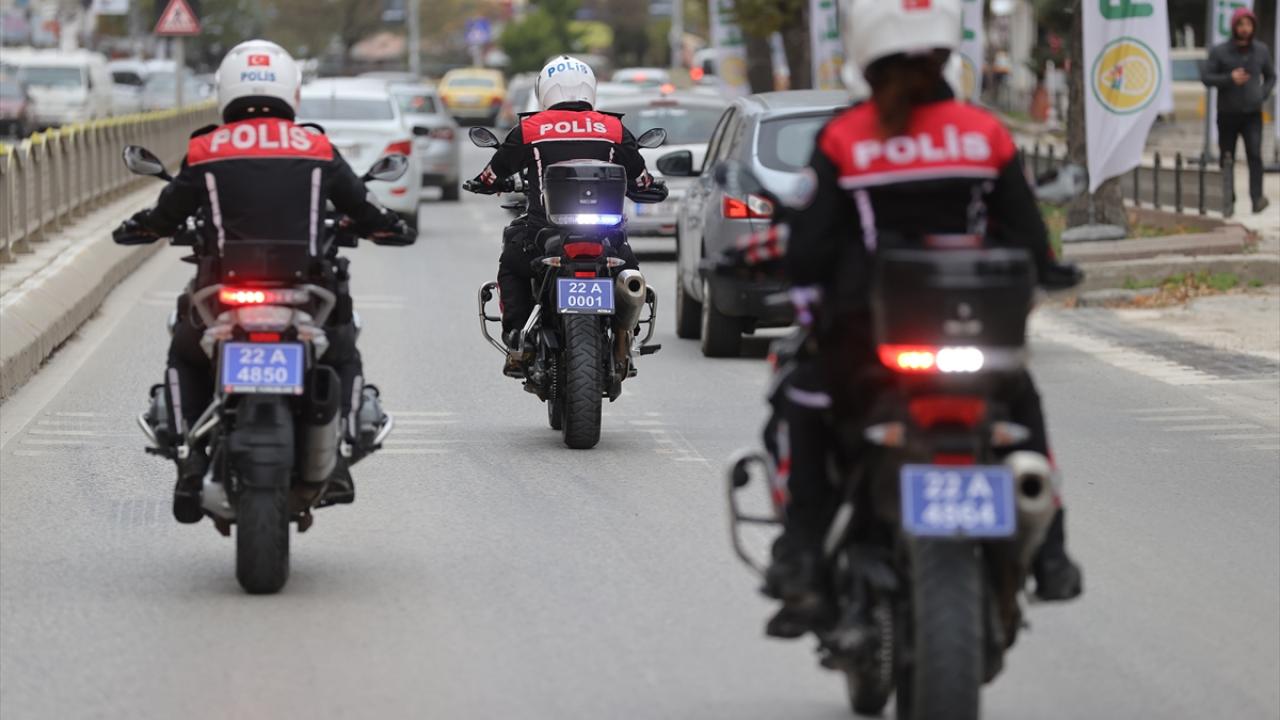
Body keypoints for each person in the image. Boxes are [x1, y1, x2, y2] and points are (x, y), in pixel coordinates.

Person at [737, 0, 1084, 639]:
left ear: (864, 54)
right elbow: (1032, 241)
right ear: (947, 49)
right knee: (1022, 412)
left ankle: (804, 558)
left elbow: (809, 247)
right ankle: (1054, 555)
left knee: (802, 403)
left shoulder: (845, 139)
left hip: (865, 352)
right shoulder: (984, 132)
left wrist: (783, 263)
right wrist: (1046, 273)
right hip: (977, 343)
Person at [112, 39, 414, 523]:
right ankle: (352, 430)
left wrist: (141, 226)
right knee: (341, 347)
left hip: (224, 293)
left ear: (224, 89)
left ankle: (189, 458)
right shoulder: (315, 146)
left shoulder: (206, 147)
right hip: (307, 291)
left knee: (185, 350)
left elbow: (166, 214)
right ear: (292, 89)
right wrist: (390, 227)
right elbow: (363, 207)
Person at [466, 55, 655, 373]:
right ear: (590, 88)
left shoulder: (528, 129)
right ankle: (627, 336)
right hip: (605, 235)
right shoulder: (612, 127)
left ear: (545, 90)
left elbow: (491, 175)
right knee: (630, 274)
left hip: (543, 234)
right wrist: (652, 188)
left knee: (512, 264)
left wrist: (483, 184)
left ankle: (518, 340)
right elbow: (641, 179)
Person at [1203, 6, 1276, 215]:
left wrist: (1262, 93)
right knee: (1227, 158)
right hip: (1227, 113)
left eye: (1249, 24)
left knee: (1254, 155)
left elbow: (1271, 76)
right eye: (1241, 24)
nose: (1245, 29)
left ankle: (1257, 198)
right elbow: (1206, 78)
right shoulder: (1220, 51)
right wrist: (1229, 79)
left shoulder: (1261, 50)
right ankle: (1228, 200)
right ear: (1234, 26)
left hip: (1252, 114)